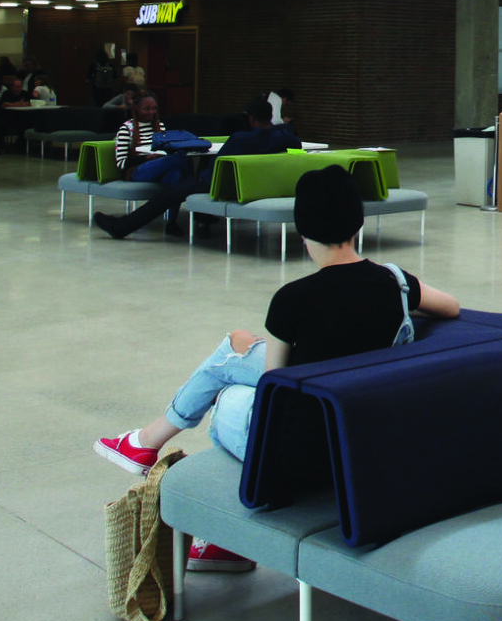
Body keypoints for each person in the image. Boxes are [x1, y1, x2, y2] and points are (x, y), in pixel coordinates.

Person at [93, 166, 460, 573]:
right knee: (238, 347)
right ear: (358, 222)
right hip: (361, 426)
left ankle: (218, 530)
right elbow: (452, 307)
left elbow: (274, 389)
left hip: (304, 445)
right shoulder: (396, 283)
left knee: (231, 394)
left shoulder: (292, 300)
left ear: (302, 231)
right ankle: (148, 444)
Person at [98, 96, 301, 240]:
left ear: (251, 119)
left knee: (167, 195)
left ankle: (121, 227)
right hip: (255, 184)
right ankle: (198, 222)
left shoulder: (239, 139)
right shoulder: (282, 137)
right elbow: (296, 144)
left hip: (217, 183)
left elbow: (218, 166)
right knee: (178, 180)